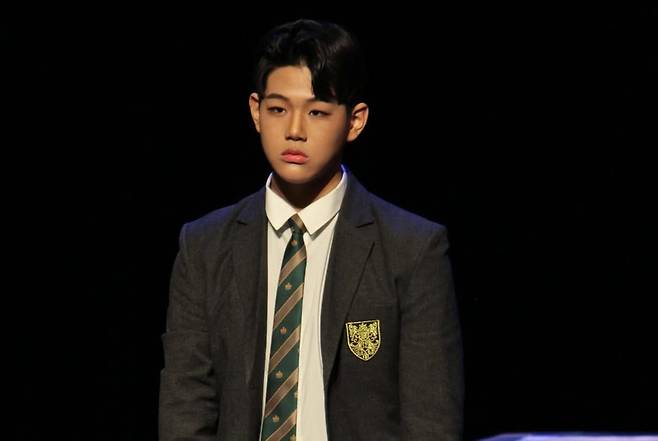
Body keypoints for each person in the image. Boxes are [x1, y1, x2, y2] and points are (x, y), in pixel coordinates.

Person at [159, 18, 463, 441]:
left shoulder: (411, 249)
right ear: (256, 111)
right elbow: (186, 407)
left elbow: (431, 421)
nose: (295, 131)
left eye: (317, 112)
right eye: (278, 109)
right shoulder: (205, 246)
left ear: (355, 121)